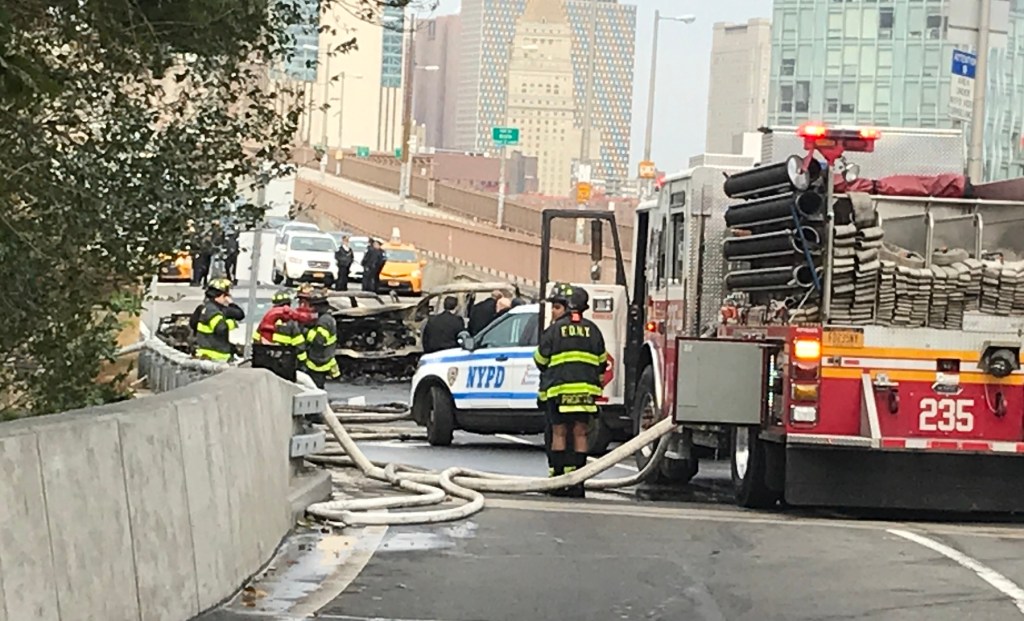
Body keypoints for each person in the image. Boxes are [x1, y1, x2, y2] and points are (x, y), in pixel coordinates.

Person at [533, 283, 608, 498]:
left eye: (557, 307)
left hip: (559, 390)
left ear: (568, 306)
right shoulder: (593, 329)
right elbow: (602, 361)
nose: (554, 312)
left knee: (559, 432)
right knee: (580, 432)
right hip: (585, 392)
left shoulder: (554, 330)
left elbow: (540, 359)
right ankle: (578, 481)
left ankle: (557, 479)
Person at [190, 278, 246, 362]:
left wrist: (231, 304)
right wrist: (231, 323)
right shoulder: (213, 311)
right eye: (225, 296)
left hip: (204, 354)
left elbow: (239, 314)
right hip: (217, 357)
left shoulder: (204, 308)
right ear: (219, 295)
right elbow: (221, 329)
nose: (226, 298)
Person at [297, 286, 341, 389]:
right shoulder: (323, 318)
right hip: (319, 360)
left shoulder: (325, 321)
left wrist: (304, 331)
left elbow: (319, 340)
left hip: (318, 363)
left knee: (315, 390)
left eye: (312, 306)